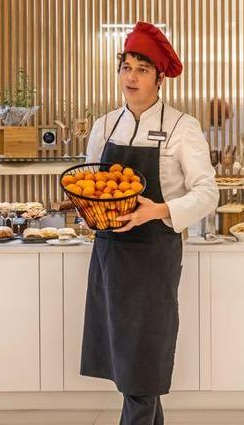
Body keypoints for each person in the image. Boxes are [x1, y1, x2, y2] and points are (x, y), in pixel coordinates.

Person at [82, 22, 218, 425]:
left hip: (155, 256)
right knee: (130, 364)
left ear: (159, 78)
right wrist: (86, 209)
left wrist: (156, 210)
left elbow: (207, 193)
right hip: (109, 253)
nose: (132, 76)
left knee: (142, 360)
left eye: (142, 68)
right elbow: (92, 184)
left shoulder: (182, 127)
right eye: (126, 66)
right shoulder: (104, 126)